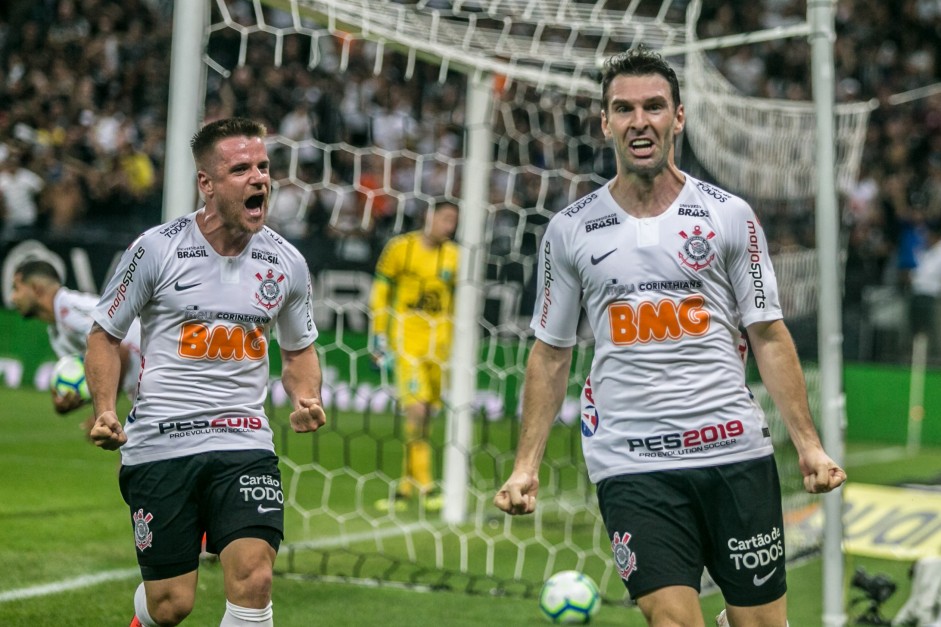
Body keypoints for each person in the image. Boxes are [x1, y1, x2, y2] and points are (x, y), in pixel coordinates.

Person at [492, 46, 846, 627]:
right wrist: (525, 465)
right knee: (675, 621)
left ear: (678, 117)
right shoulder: (570, 229)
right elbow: (552, 352)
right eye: (624, 109)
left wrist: (808, 444)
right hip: (631, 458)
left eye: (654, 107)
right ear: (605, 121)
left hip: (732, 448)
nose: (640, 122)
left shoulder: (729, 216)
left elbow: (769, 335)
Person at [86, 117, 326, 627]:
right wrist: (105, 409)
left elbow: (300, 348)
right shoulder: (157, 248)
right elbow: (105, 333)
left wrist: (306, 397)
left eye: (263, 166)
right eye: (241, 169)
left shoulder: (287, 263)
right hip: (160, 441)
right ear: (207, 183)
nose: (259, 177)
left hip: (244, 440)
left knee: (255, 580)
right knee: (171, 605)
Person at [368, 199, 459, 512]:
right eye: (446, 218)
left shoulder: (454, 256)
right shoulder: (400, 248)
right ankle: (428, 485)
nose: (450, 226)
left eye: (454, 221)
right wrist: (378, 334)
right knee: (417, 410)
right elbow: (381, 291)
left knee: (426, 415)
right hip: (406, 343)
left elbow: (462, 301)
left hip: (441, 348)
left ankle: (406, 487)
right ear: (429, 216)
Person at [10, 259, 141, 419]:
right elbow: (94, 374)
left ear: (36, 289)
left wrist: (106, 412)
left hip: (162, 376)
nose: (12, 298)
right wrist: (69, 402)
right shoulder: (56, 331)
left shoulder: (69, 310)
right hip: (146, 391)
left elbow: (120, 350)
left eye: (16, 288)